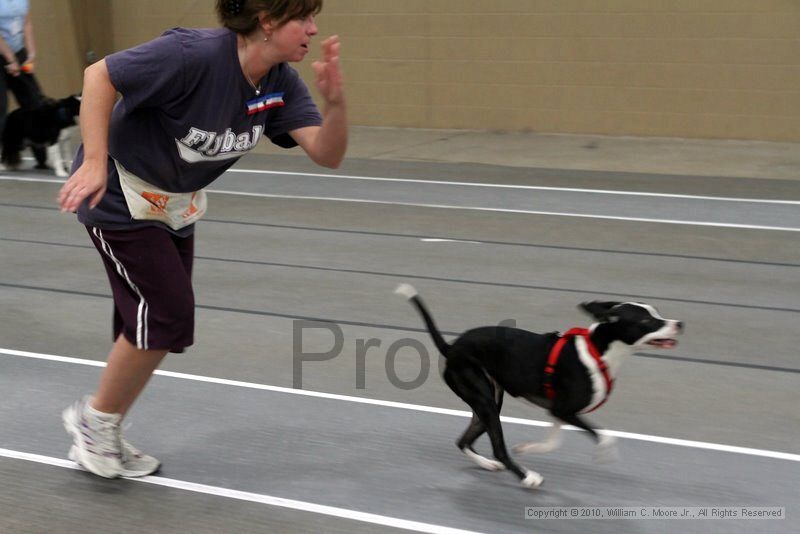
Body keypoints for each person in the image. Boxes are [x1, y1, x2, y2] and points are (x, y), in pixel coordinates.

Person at [57, 0, 346, 478]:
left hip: (172, 204)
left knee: (155, 324)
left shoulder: (277, 82)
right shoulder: (192, 55)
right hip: (117, 192)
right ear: (268, 20)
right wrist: (92, 159)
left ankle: (101, 425)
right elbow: (99, 76)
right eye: (304, 18)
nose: (314, 30)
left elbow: (327, 153)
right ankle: (95, 423)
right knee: (167, 313)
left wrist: (336, 107)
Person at [0, 0, 44, 140]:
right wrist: (10, 59)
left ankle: (41, 153)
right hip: (3, 54)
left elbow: (26, 24)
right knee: (1, 106)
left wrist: (30, 54)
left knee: (34, 101)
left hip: (18, 52)